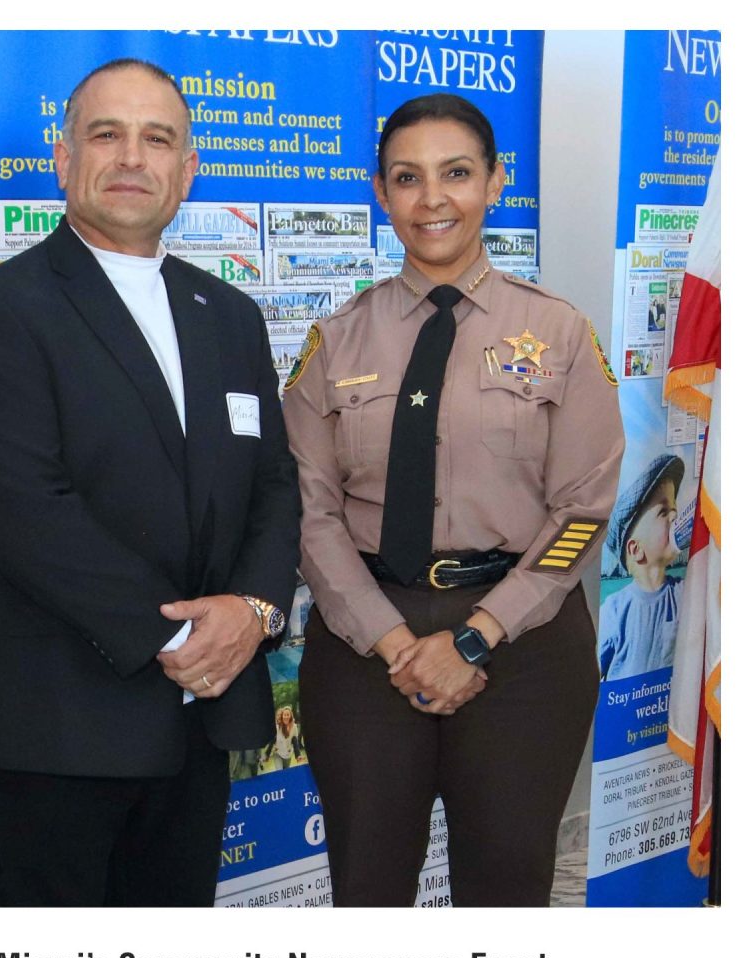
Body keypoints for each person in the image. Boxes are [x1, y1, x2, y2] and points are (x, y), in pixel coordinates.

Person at [0, 58, 300, 907]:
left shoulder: (229, 315)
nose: (133, 157)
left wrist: (254, 611)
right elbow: (23, 510)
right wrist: (190, 639)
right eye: (107, 134)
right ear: (65, 160)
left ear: (187, 170)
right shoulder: (1, 308)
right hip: (67, 725)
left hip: (202, 720)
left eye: (157, 139)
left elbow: (275, 484)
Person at [283, 94, 624, 907]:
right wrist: (395, 641)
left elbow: (582, 515)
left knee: (507, 889)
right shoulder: (335, 341)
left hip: (524, 643)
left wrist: (477, 636)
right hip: (366, 645)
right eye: (407, 178)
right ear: (381, 193)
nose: (432, 198)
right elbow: (308, 513)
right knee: (367, 890)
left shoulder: (561, 334)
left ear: (497, 182)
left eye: (457, 173)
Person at [599, 454, 684, 681]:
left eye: (674, 509)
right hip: (623, 701)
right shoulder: (614, 610)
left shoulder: (684, 592)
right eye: (663, 512)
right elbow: (592, 674)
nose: (675, 515)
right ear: (636, 549)